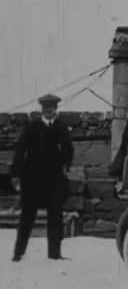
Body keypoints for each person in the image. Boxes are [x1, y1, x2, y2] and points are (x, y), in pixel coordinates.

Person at [10, 94, 74, 261]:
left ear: (56, 110)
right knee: (27, 217)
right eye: (46, 109)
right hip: (32, 179)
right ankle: (18, 253)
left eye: (51, 109)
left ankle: (54, 253)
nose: (49, 112)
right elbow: (19, 151)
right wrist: (16, 174)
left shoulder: (61, 128)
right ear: (42, 110)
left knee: (56, 216)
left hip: (54, 180)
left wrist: (66, 164)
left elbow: (69, 150)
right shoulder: (32, 127)